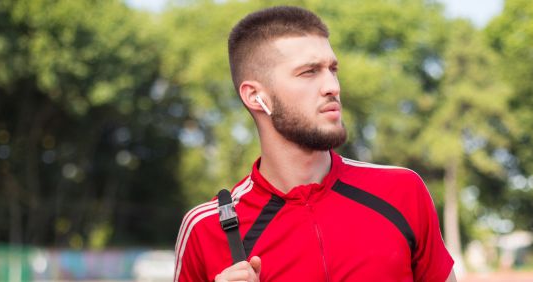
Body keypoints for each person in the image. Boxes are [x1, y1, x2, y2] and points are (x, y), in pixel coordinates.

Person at [174, 6, 455, 282]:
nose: (332, 86)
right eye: (309, 72)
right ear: (255, 96)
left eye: (332, 69)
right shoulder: (205, 229)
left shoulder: (402, 192)